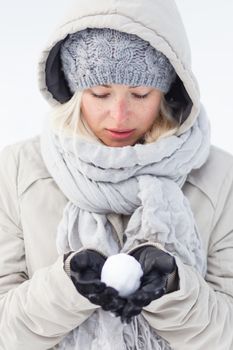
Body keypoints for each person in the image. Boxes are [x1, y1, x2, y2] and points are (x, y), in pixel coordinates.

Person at [0, 0, 233, 349]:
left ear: (169, 90)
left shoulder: (219, 176)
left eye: (140, 94)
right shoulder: (18, 170)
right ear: (75, 90)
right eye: (100, 93)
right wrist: (68, 285)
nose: (119, 116)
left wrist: (173, 288)